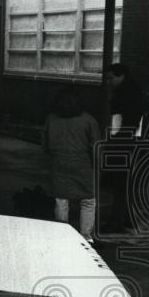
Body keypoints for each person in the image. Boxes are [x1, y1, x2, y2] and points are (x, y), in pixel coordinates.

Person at [43, 87, 100, 242]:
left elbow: (45, 144)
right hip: (83, 163)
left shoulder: (51, 119)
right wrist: (97, 165)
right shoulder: (88, 120)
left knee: (61, 199)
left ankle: (62, 234)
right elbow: (96, 146)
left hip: (58, 162)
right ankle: (86, 236)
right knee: (88, 200)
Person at [103, 62, 146, 233]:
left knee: (120, 183)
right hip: (131, 141)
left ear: (121, 76)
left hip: (123, 142)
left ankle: (116, 223)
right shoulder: (134, 91)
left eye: (111, 78)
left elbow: (122, 122)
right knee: (126, 183)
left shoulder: (124, 95)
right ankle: (127, 220)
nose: (108, 82)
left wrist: (114, 142)